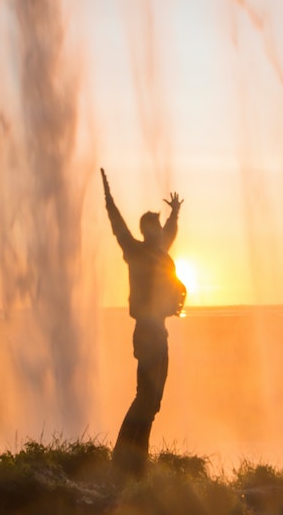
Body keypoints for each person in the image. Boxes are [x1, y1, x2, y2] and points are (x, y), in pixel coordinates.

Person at [101, 167, 185, 474]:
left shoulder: (160, 250)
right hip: (147, 332)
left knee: (155, 401)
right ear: (147, 229)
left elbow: (171, 232)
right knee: (145, 397)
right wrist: (109, 199)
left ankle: (138, 459)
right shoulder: (135, 251)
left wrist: (175, 212)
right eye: (157, 225)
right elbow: (118, 227)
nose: (161, 230)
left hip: (159, 331)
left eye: (161, 226)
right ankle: (122, 456)